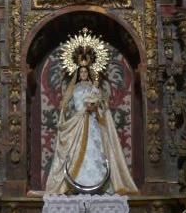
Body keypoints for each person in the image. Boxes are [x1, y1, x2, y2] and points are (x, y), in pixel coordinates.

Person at [44, 62, 139, 196]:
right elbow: (67, 105)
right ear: (78, 74)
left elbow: (102, 105)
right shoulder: (74, 88)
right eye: (81, 72)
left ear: (88, 73)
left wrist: (94, 104)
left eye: (85, 72)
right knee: (74, 150)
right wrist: (65, 110)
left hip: (92, 122)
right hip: (78, 121)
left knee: (94, 149)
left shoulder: (93, 87)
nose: (83, 74)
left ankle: (98, 182)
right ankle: (76, 182)